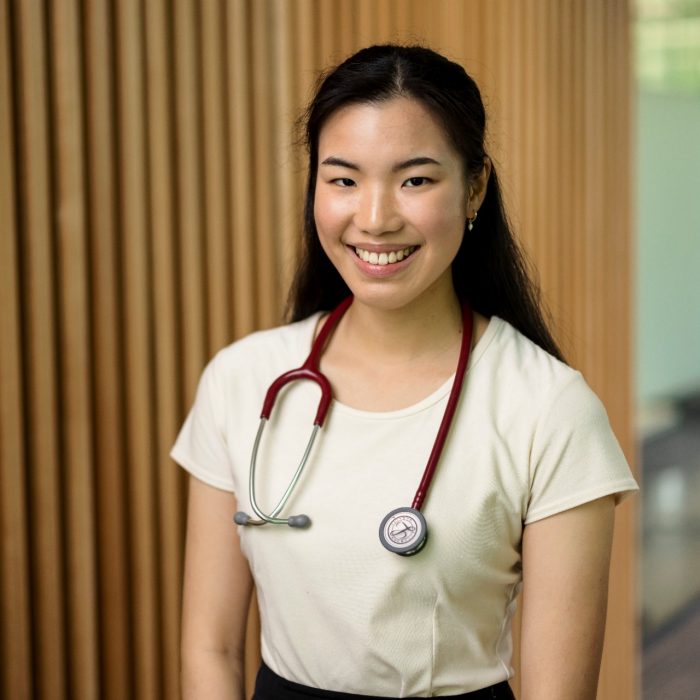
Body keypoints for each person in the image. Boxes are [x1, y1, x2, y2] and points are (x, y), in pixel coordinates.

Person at [172, 45, 638, 700]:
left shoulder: (548, 408)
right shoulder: (241, 380)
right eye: (343, 180)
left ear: (474, 186)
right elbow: (211, 648)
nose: (374, 218)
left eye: (415, 180)